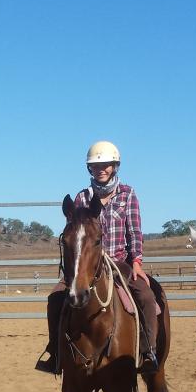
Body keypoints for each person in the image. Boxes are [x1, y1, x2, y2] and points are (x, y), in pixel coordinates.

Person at [36, 140, 160, 375]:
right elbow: (74, 237)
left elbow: (134, 231)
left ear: (115, 166)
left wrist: (136, 261)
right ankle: (55, 352)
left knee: (145, 294)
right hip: (85, 265)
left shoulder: (127, 194)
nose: (101, 169)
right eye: (96, 165)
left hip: (119, 261)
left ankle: (148, 351)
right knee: (55, 297)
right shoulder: (81, 198)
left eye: (106, 164)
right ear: (89, 169)